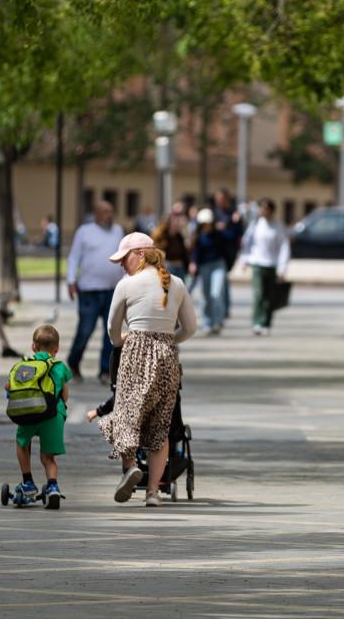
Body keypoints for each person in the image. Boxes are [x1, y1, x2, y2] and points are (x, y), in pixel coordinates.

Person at [98, 232, 197, 506]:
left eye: (124, 258)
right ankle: (153, 492)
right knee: (160, 427)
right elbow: (190, 328)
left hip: (135, 355)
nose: (121, 264)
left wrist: (121, 342)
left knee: (126, 417)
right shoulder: (176, 283)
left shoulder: (126, 285)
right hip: (168, 358)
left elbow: (112, 330)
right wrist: (166, 340)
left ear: (140, 254)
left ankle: (131, 469)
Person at [7, 324, 71, 509]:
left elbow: (9, 386)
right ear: (57, 348)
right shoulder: (60, 367)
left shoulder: (24, 365)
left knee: (22, 443)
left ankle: (27, 483)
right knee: (48, 458)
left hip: (29, 414)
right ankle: (52, 487)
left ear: (33, 346)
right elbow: (65, 397)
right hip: (53, 415)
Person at [65, 200, 124, 383]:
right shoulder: (84, 231)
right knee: (85, 331)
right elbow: (74, 257)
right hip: (89, 292)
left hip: (112, 291)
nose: (109, 215)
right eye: (105, 211)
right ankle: (73, 362)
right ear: (96, 214)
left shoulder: (118, 231)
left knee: (111, 332)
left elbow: (123, 258)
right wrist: (71, 280)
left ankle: (105, 371)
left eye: (111, 211)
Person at [240, 198, 290, 336]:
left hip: (272, 265)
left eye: (266, 208)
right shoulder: (255, 225)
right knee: (259, 295)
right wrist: (244, 260)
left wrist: (282, 268)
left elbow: (284, 248)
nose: (263, 211)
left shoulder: (278, 226)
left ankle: (266, 323)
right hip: (258, 264)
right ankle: (257, 323)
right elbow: (247, 243)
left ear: (272, 210)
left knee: (269, 296)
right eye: (262, 208)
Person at [189, 208, 235, 335]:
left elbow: (233, 237)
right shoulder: (198, 237)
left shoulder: (219, 234)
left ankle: (218, 322)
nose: (207, 226)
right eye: (204, 224)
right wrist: (193, 263)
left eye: (208, 223)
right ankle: (208, 323)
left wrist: (233, 222)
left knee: (216, 293)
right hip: (204, 267)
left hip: (218, 265)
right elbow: (194, 252)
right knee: (205, 297)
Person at [151, 202, 191, 284]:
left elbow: (185, 252)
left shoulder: (179, 237)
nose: (178, 222)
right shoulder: (161, 236)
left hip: (180, 268)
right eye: (175, 219)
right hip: (168, 268)